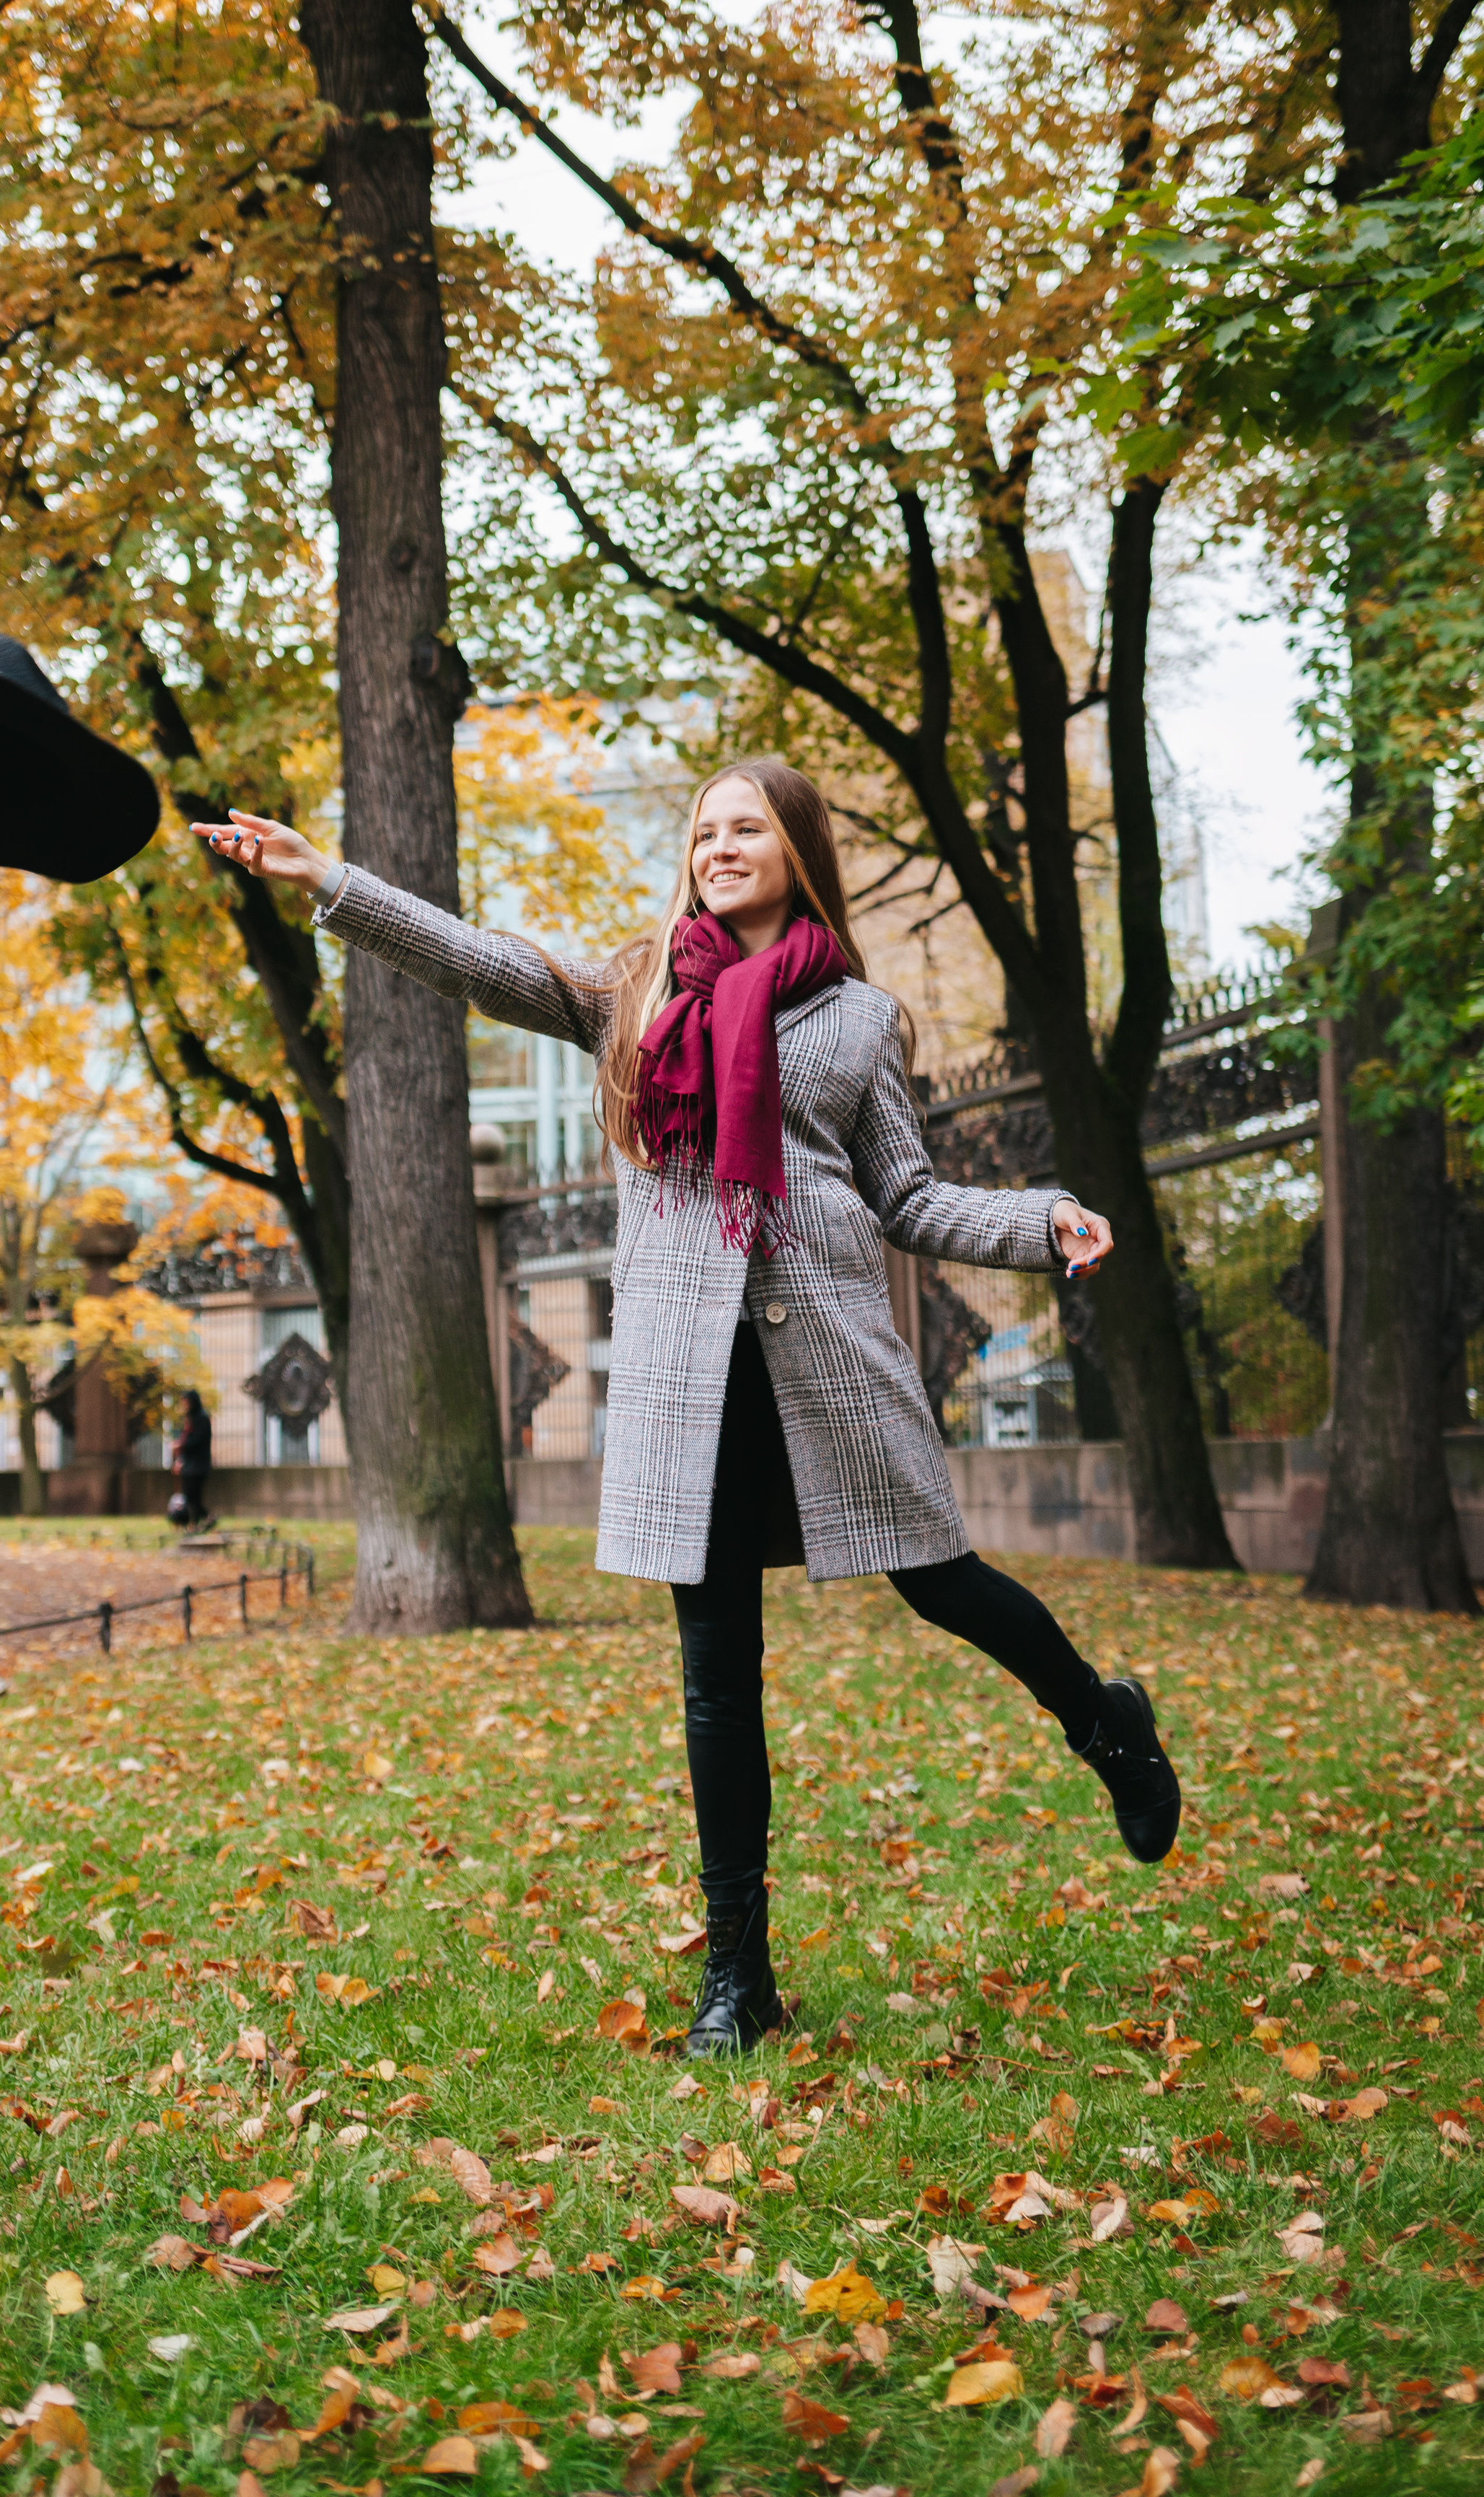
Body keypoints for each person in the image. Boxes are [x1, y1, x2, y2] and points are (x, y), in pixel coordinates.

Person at [193, 763, 1181, 2054]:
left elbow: (911, 1199)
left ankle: (1104, 1721)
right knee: (717, 1677)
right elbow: (487, 963)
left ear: (796, 848)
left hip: (825, 1350)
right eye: (705, 831)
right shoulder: (641, 985)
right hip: (685, 1374)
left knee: (942, 1584)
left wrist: (1039, 1220)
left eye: (746, 828)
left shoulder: (861, 1018)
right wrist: (328, 879)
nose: (720, 847)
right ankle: (738, 1980)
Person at [172, 1388, 212, 1534]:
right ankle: (195, 1523)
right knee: (190, 1497)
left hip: (198, 1466)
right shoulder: (190, 1419)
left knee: (193, 1496)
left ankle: (205, 1519)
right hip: (190, 1465)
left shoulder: (201, 1418)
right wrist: (180, 1460)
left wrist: (182, 1445)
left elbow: (197, 1441)